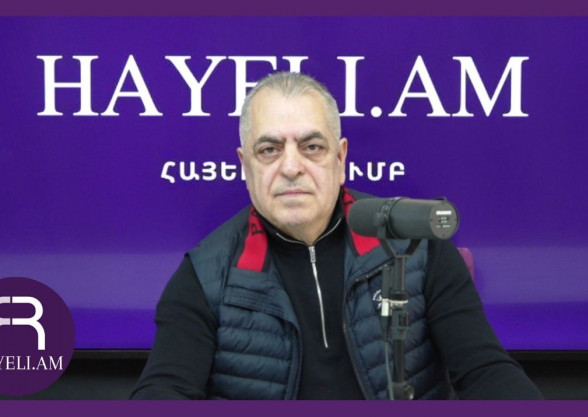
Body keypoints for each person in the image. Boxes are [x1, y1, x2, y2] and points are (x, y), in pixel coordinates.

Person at [130, 71, 542, 400]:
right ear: (245, 165)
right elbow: (164, 391)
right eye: (269, 149)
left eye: (311, 147)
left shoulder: (416, 246)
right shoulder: (204, 275)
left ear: (340, 157)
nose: (291, 167)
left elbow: (487, 373)